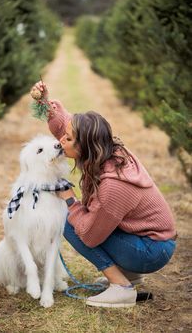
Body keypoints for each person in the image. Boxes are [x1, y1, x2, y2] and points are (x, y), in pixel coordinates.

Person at [31, 81, 177, 308]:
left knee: (70, 222)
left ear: (85, 148)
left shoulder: (114, 186)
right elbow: (66, 128)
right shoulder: (104, 150)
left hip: (152, 251)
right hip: (147, 239)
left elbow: (89, 236)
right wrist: (46, 103)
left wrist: (71, 200)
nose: (60, 142)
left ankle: (122, 287)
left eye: (68, 140)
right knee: (84, 218)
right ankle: (129, 274)